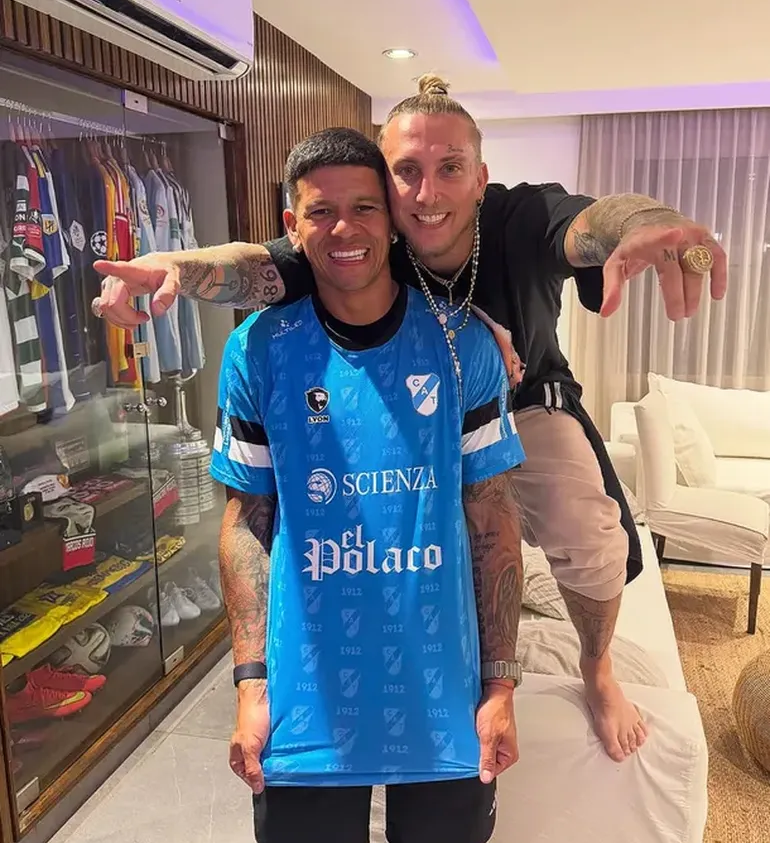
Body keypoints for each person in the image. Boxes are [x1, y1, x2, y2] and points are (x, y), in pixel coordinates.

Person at [92, 75, 728, 762]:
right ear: (387, 185)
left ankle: (598, 669)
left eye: (450, 169)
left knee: (588, 530)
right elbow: (258, 265)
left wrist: (644, 221)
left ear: (480, 177)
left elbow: (592, 224)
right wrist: (174, 266)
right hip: (407, 413)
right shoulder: (370, 236)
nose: (428, 195)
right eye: (407, 173)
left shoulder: (518, 217)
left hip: (523, 403)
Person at [211, 127, 526, 843]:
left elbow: (493, 521)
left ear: (390, 219)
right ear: (291, 226)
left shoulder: (462, 346)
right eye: (320, 211)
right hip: (306, 687)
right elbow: (245, 523)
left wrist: (500, 685)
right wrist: (251, 685)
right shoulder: (257, 350)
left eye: (363, 207)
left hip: (443, 684)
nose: (344, 229)